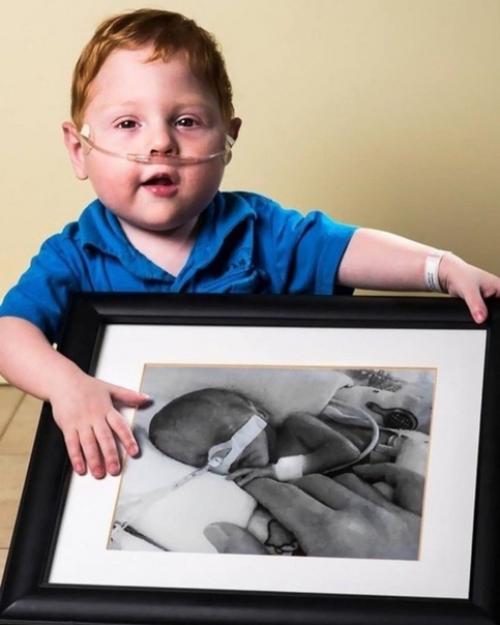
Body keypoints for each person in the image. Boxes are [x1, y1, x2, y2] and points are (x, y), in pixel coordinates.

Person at [0, 9, 499, 480]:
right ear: (79, 149)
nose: (160, 143)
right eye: (128, 124)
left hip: (262, 431)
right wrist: (67, 385)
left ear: (228, 139)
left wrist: (440, 268)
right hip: (125, 455)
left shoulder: (260, 230)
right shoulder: (73, 256)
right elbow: (9, 333)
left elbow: (347, 248)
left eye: (186, 121)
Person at [148, 387, 365, 484]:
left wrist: (278, 471)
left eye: (227, 434)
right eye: (204, 458)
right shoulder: (245, 479)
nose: (226, 455)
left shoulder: (296, 427)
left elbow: (345, 451)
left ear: (260, 414)